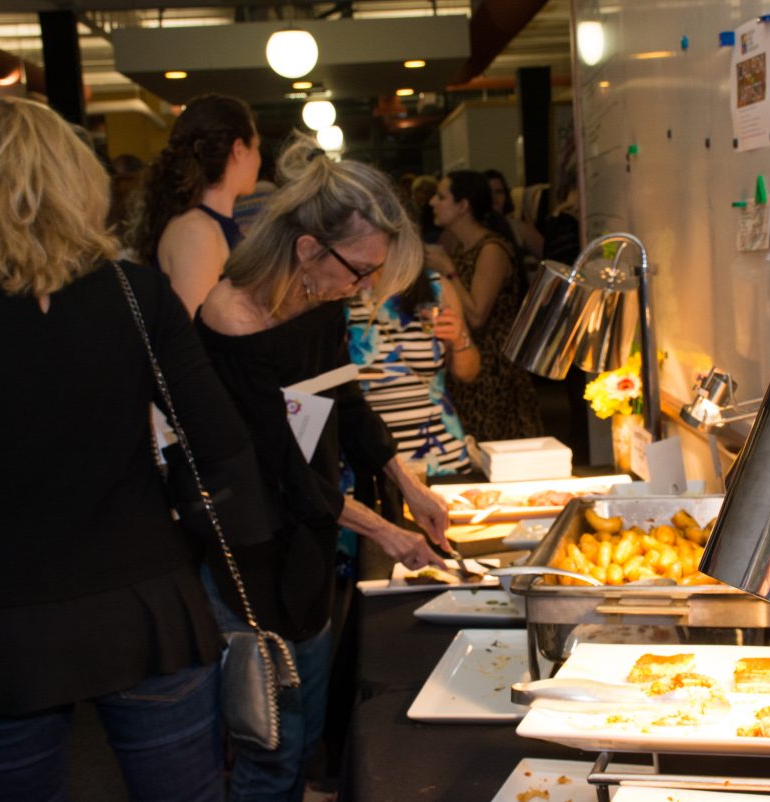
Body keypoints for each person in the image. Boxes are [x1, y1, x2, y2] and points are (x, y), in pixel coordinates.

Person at [0, 97, 273, 802]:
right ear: (78, 181)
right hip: (145, 603)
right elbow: (222, 443)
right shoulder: (135, 294)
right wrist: (216, 552)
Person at [195, 134, 452, 802]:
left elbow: (344, 402)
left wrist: (407, 483)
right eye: (360, 271)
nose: (364, 288)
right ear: (308, 248)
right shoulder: (231, 320)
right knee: (270, 744)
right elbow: (281, 472)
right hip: (251, 552)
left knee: (304, 736)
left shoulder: (318, 300)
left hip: (307, 537)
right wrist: (387, 532)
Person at [345, 266, 480, 513]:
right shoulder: (340, 288)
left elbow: (468, 373)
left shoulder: (435, 287)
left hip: (439, 457)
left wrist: (459, 338)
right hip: (370, 461)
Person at [426, 169, 544, 443]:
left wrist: (448, 270)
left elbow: (477, 316)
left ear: (463, 206)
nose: (432, 202)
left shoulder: (491, 249)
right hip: (468, 358)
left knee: (498, 444)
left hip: (493, 367)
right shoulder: (460, 246)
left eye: (441, 197)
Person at [129, 93, 261, 315]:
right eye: (256, 147)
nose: (259, 159)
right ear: (239, 149)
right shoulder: (196, 231)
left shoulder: (206, 226)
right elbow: (194, 327)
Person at [483, 168, 543, 260]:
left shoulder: (518, 228)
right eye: (488, 192)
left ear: (506, 195)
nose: (493, 198)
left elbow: (550, 258)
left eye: (499, 192)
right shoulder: (473, 229)